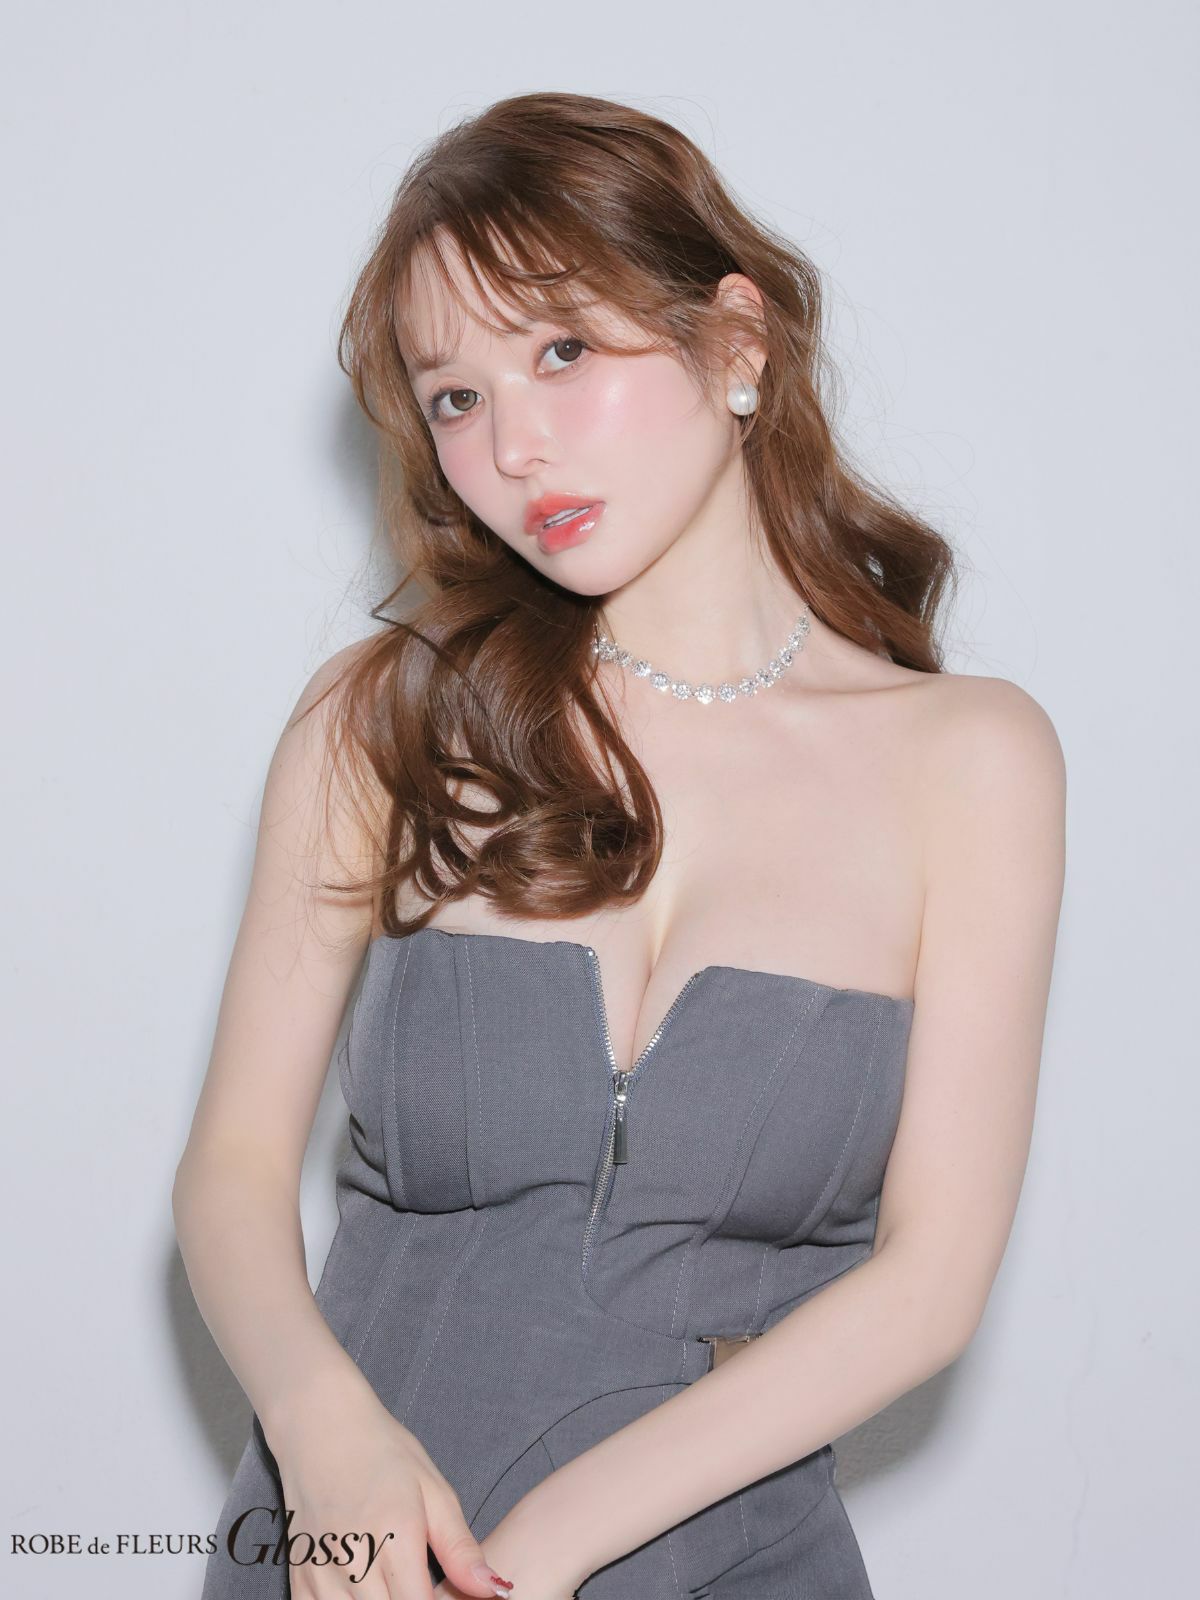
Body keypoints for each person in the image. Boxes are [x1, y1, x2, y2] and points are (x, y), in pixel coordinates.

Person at [175, 91, 1066, 1600]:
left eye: (563, 352)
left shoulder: (972, 762)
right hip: (356, 1554)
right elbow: (232, 1173)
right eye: (455, 397)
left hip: (725, 1563)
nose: (514, 446)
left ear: (737, 342)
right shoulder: (382, 721)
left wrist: (544, 1552)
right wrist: (325, 1435)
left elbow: (930, 1284)